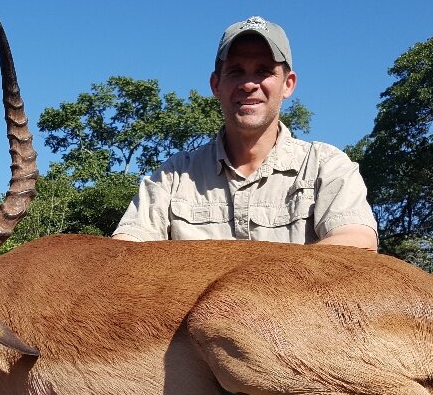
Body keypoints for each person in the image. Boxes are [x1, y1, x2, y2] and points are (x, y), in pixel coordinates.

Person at [112, 16, 379, 249]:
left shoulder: (326, 165)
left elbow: (357, 243)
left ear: (288, 84)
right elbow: (125, 252)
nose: (249, 84)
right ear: (216, 85)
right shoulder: (173, 175)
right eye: (235, 72)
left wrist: (253, 291)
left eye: (264, 71)